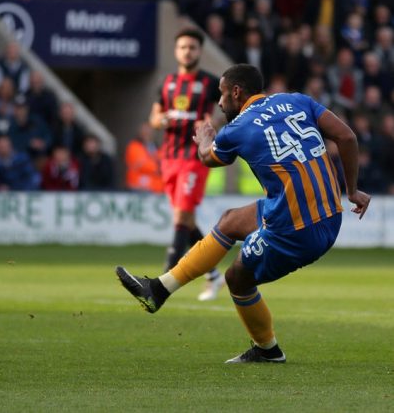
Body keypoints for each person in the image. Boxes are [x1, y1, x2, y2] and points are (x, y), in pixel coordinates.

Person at [116, 64, 371, 363]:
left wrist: (204, 140)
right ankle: (159, 289)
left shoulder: (237, 128)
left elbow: (207, 159)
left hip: (296, 229)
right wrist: (351, 190)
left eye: (222, 95)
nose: (220, 103)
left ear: (236, 92)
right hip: (330, 213)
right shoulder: (297, 100)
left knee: (237, 278)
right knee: (230, 221)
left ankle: (267, 350)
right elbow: (348, 137)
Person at [148, 28, 224, 301]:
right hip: (168, 157)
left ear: (199, 51)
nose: (187, 52)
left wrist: (214, 124)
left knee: (180, 217)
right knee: (187, 220)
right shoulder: (167, 83)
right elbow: (154, 118)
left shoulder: (210, 83)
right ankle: (214, 275)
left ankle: (163, 283)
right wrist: (162, 120)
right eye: (183, 47)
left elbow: (228, 110)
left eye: (192, 47)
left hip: (194, 158)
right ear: (175, 51)